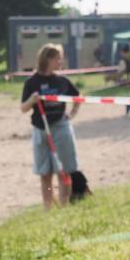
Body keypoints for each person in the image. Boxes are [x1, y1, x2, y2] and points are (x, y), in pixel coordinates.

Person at [20, 43, 81, 210]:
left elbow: (77, 97)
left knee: (64, 170)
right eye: (58, 58)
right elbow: (23, 108)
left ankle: (64, 206)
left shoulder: (62, 81)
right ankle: (48, 208)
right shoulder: (32, 82)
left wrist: (72, 113)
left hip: (60, 127)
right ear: (48, 59)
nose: (61, 62)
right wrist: (32, 100)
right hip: (40, 129)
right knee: (45, 174)